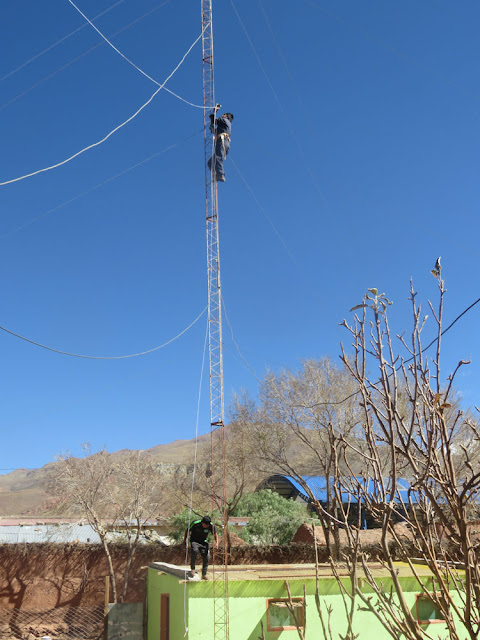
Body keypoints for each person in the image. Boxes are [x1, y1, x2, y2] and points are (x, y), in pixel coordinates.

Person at [184, 515, 218, 580]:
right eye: (205, 525)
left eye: (207, 526)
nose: (206, 527)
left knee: (207, 556)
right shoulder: (195, 523)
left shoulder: (211, 525)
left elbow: (215, 534)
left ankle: (204, 574)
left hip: (203, 541)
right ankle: (193, 569)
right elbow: (187, 531)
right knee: (194, 551)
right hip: (194, 541)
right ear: (202, 522)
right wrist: (185, 541)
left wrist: (217, 543)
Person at [207, 104, 234, 183]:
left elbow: (215, 120)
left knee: (218, 157)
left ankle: (220, 174)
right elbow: (214, 130)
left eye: (224, 115)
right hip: (222, 141)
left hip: (222, 141)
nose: (222, 115)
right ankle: (217, 174)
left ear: (227, 117)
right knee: (210, 162)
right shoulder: (222, 126)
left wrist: (214, 111)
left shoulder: (226, 121)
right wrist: (212, 125)